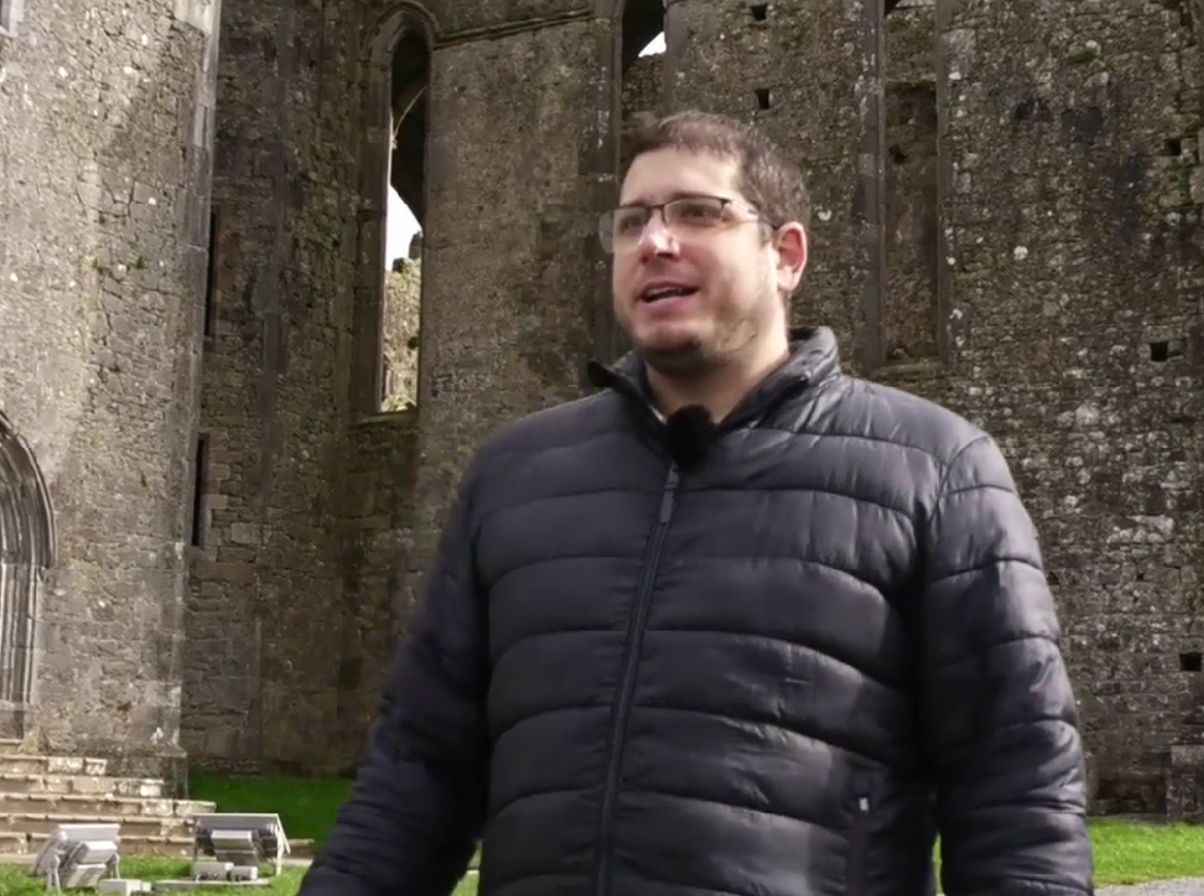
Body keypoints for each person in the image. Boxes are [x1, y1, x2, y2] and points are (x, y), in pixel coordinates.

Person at [297, 110, 1094, 896]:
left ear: (785, 255)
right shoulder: (515, 478)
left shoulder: (936, 471)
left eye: (696, 213)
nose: (654, 240)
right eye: (631, 221)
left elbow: (1019, 800)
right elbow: (415, 780)